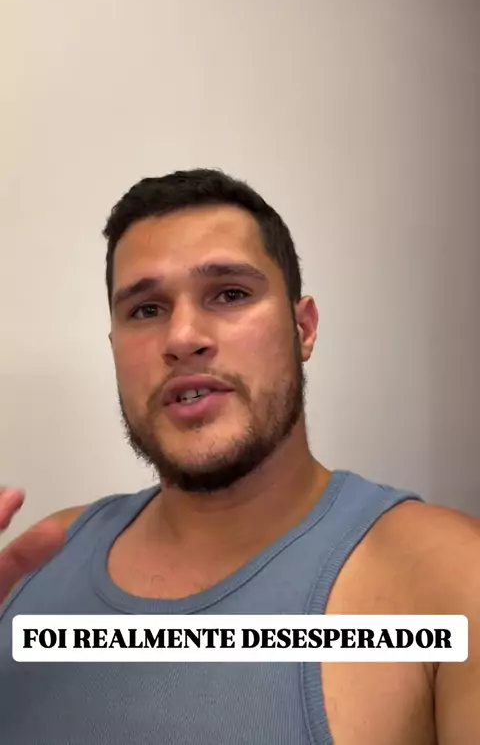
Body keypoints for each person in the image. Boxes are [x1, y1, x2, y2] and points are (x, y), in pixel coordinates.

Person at [0, 168, 478, 744]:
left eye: (230, 294)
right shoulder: (34, 566)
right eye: (146, 310)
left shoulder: (451, 579)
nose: (182, 338)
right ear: (114, 349)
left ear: (303, 328)